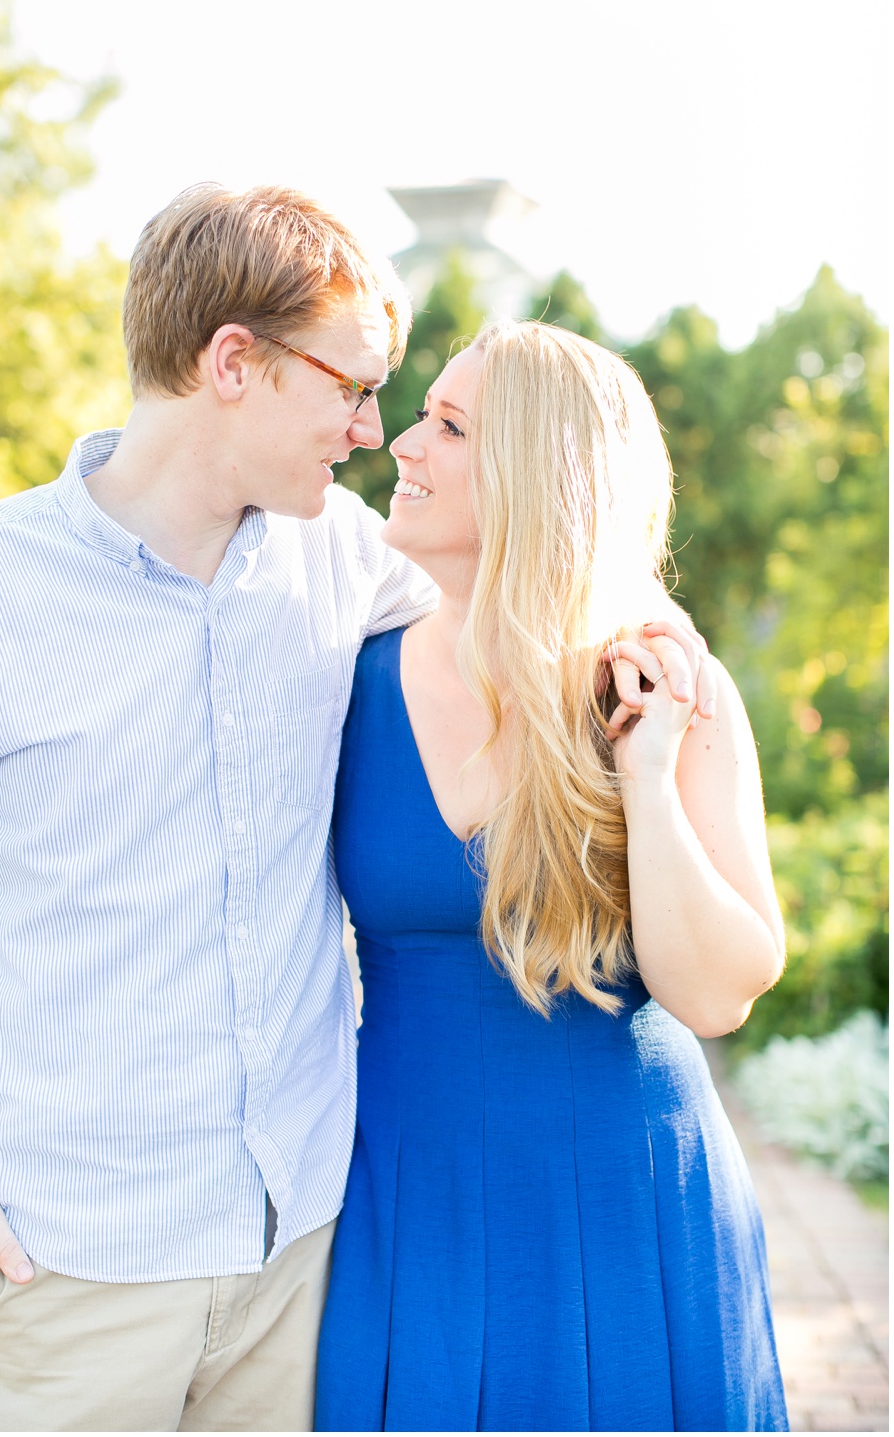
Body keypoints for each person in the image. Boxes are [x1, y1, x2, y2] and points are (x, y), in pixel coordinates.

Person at [0, 183, 712, 1431]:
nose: (374, 431)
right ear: (232, 364)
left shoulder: (348, 563)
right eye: (351, 389)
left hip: (296, 1256)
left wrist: (659, 648)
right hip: (62, 1256)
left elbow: (530, 580)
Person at [311, 321, 787, 1429]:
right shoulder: (347, 679)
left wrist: (646, 771)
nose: (402, 447)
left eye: (448, 424)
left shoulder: (662, 683)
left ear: (535, 471)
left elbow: (716, 992)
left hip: (630, 1199)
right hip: (406, 1198)